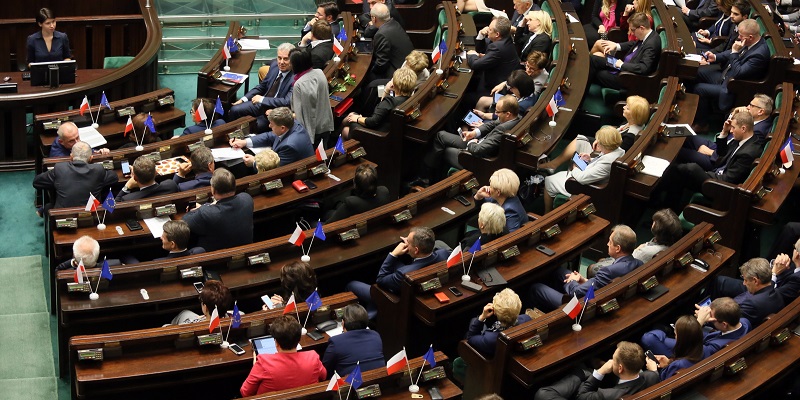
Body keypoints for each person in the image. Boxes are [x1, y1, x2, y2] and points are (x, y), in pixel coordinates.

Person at [659, 109, 762, 212]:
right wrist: (724, 132)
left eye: (733, 128)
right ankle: (668, 207)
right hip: (718, 173)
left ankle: (657, 196)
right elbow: (722, 154)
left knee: (690, 169)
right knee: (680, 174)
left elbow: (728, 180)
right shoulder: (744, 138)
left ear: (743, 128)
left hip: (720, 188)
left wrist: (704, 173)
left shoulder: (748, 153)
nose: (731, 131)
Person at [529, 225, 643, 312]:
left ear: (618, 248)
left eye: (610, 242)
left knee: (536, 288)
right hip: (599, 299)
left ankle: (553, 316)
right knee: (559, 272)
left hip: (580, 310)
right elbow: (601, 284)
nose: (607, 244)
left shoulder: (608, 271)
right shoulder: (639, 264)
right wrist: (584, 281)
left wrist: (573, 280)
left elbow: (575, 293)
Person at [345, 226, 450, 318]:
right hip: (419, 284)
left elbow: (380, 279)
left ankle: (355, 316)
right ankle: (373, 309)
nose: (405, 242)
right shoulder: (444, 254)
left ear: (416, 250)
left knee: (351, 284)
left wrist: (393, 254)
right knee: (395, 263)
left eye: (408, 241)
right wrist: (410, 244)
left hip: (394, 298)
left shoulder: (404, 273)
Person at [417, 95, 521, 184]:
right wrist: (474, 133)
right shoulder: (516, 118)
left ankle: (428, 180)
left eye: (498, 112)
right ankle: (426, 176)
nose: (495, 114)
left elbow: (477, 150)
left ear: (508, 114)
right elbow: (493, 124)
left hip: (478, 158)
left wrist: (472, 142)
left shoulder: (504, 129)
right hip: (478, 143)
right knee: (440, 136)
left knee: (444, 150)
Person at [692, 19, 769, 125]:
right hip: (726, 77)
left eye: (741, 35)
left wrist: (734, 53)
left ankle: (701, 124)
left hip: (733, 87)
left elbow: (739, 72)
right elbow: (732, 52)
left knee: (699, 89)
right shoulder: (751, 42)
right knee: (696, 70)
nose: (738, 37)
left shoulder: (759, 55)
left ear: (750, 37)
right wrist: (715, 57)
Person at [534, 341, 659, 400]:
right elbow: (653, 373)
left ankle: (582, 373)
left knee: (543, 393)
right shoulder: (652, 377)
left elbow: (581, 396)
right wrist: (654, 369)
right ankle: (585, 372)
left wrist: (600, 372)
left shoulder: (606, 395)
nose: (611, 361)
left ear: (620, 368)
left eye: (613, 360)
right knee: (588, 372)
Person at [542, 126, 625, 213]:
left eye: (599, 143)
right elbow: (601, 163)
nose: (597, 144)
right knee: (559, 175)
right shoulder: (619, 151)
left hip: (586, 188)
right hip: (591, 177)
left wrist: (575, 168)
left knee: (549, 180)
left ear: (605, 145)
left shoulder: (608, 162)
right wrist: (590, 160)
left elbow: (582, 178)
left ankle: (547, 213)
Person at [678, 94, 772, 171]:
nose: (747, 107)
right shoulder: (755, 120)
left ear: (760, 111)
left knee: (679, 152)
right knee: (685, 135)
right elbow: (728, 126)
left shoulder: (758, 132)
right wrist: (734, 113)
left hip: (717, 161)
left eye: (751, 105)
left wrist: (710, 152)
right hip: (720, 147)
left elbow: (734, 154)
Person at [240, 316, 326, 396]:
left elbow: (245, 392)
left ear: (276, 343)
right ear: (299, 339)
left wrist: (255, 367)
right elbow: (324, 376)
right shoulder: (313, 357)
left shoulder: (263, 363)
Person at [642, 297, 749, 359]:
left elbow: (694, 352)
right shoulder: (745, 323)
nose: (708, 316)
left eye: (711, 315)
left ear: (724, 324)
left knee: (650, 337)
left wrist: (699, 322)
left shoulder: (714, 348)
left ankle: (672, 357)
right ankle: (669, 330)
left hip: (691, 349)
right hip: (713, 335)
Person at [589, 208, 682, 277]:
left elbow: (628, 263)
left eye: (655, 222)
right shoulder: (669, 241)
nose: (652, 222)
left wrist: (637, 249)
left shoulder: (647, 252)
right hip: (629, 261)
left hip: (625, 270)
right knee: (601, 260)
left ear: (657, 228)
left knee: (592, 268)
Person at [228, 43, 295, 133]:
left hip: (277, 111)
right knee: (234, 110)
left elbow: (286, 101)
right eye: (279, 58)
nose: (281, 62)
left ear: (292, 59)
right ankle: (230, 135)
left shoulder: (295, 77)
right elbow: (262, 86)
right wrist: (243, 99)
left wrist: (262, 99)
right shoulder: (275, 66)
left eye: (285, 59)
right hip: (261, 104)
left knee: (255, 127)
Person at [182, 168, 254, 252]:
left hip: (216, 260)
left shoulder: (206, 212)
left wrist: (203, 207)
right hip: (246, 250)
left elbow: (185, 220)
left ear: (213, 191)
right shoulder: (247, 199)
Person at [33, 141, 118, 210]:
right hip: (92, 215)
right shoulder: (98, 170)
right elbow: (115, 177)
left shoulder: (60, 168)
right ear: (91, 158)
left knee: (50, 204)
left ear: (71, 156)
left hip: (63, 217)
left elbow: (37, 182)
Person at [588, 13, 660, 90]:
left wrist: (622, 65)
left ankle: (581, 94)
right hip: (620, 65)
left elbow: (644, 68)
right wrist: (616, 46)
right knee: (594, 59)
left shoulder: (651, 45)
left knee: (596, 73)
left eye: (633, 30)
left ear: (641, 28)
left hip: (627, 77)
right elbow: (633, 43)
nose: (632, 33)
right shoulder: (649, 34)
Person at [342, 68, 416, 139]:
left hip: (378, 135)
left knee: (348, 123)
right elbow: (381, 110)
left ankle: (335, 140)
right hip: (391, 131)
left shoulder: (390, 102)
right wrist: (386, 91)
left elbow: (373, 121)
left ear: (394, 85)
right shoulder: (410, 99)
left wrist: (358, 118)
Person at [708, 258, 785, 327]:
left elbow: (728, 323)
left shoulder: (752, 304)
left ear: (755, 281)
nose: (744, 283)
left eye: (746, 280)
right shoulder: (777, 293)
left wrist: (705, 317)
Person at [229, 107, 314, 166]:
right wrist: (245, 142)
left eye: (272, 124)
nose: (269, 126)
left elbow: (276, 169)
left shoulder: (289, 146)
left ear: (282, 128)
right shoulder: (292, 123)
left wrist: (255, 162)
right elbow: (270, 136)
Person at [321, 304, 385, 377]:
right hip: (377, 380)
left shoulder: (336, 342)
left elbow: (325, 370)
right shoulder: (375, 336)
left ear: (343, 323)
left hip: (350, 385)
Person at [466, 288, 532, 357]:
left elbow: (470, 337)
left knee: (473, 320)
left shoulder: (489, 339)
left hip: (492, 357)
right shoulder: (526, 319)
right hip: (512, 353)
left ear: (495, 313)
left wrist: (482, 317)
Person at [289, 48, 334, 144]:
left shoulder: (299, 84)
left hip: (311, 133)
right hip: (325, 125)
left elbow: (300, 116)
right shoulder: (319, 72)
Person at [468, 16, 521, 97]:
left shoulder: (497, 47)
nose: (487, 30)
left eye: (490, 29)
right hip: (493, 76)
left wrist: (472, 55)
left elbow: (475, 64)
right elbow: (482, 50)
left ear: (497, 34)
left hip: (494, 89)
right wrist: (481, 35)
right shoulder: (506, 39)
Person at [644, 315, 704, 381]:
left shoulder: (677, 366)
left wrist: (653, 371)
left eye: (675, 334)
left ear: (680, 339)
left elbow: (666, 386)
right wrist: (670, 362)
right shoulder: (706, 349)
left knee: (650, 337)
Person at [324, 164, 392, 223]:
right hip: (374, 224)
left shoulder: (352, 203)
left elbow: (329, 224)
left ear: (355, 185)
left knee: (326, 214)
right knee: (336, 207)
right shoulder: (384, 192)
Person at [366, 3, 414, 82]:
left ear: (374, 19)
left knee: (369, 79)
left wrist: (371, 71)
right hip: (407, 66)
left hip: (401, 75)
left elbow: (381, 64)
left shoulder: (381, 34)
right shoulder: (394, 23)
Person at [473, 168, 527, 233]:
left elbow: (510, 237)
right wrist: (478, 196)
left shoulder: (511, 211)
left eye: (491, 186)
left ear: (498, 192)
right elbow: (482, 207)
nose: (489, 188)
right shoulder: (499, 197)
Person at [115, 156, 179, 201]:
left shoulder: (128, 199)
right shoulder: (171, 185)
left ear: (134, 178)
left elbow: (113, 207)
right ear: (156, 173)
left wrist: (127, 186)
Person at [771, 238, 800, 303]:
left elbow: (770, 296)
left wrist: (774, 273)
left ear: (797, 255)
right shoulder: (793, 266)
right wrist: (774, 264)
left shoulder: (797, 279)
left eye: (794, 247)